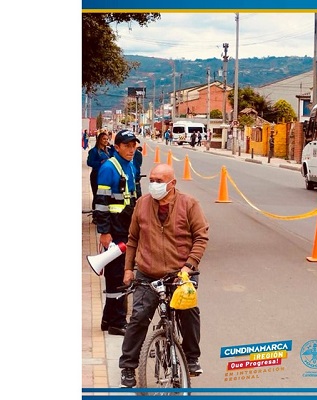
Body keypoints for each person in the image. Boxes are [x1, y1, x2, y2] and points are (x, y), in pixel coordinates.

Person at [118, 162, 209, 388]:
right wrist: (129, 270)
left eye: (160, 181)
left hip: (181, 272)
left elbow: (201, 237)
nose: (154, 185)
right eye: (152, 180)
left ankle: (191, 357)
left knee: (188, 312)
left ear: (172, 183)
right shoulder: (142, 204)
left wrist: (189, 266)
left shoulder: (189, 204)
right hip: (148, 272)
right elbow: (132, 240)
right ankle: (128, 366)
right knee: (139, 317)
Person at [93, 130, 141, 336]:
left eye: (134, 146)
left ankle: (107, 319)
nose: (131, 150)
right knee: (118, 276)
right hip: (114, 229)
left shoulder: (129, 165)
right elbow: (101, 202)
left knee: (118, 273)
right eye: (127, 146)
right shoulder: (109, 168)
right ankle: (117, 322)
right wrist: (104, 231)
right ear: (118, 146)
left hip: (126, 227)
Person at [86, 132, 115, 211]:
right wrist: (100, 163)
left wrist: (111, 146)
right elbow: (89, 162)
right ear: (99, 140)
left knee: (104, 196)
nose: (106, 141)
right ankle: (95, 215)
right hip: (96, 176)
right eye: (104, 139)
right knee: (97, 195)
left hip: (106, 177)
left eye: (107, 139)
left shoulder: (108, 151)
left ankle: (102, 213)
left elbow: (115, 154)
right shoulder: (94, 151)